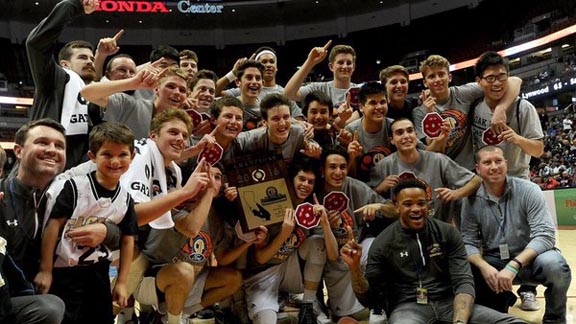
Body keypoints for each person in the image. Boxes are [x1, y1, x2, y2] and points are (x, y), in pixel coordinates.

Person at [340, 178, 525, 324]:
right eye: (408, 204)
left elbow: (463, 282)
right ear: (396, 207)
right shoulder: (382, 243)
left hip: (450, 303)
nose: (416, 209)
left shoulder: (448, 233)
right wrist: (354, 267)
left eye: (421, 203)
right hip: (408, 308)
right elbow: (370, 299)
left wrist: (460, 321)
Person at [0, 119, 120, 323]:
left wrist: (106, 231)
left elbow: (121, 231)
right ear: (18, 151)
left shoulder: (75, 193)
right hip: (13, 298)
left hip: (58, 290)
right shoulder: (3, 196)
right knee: (51, 307)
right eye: (42, 142)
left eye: (59, 146)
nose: (52, 150)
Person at [35, 122, 138, 324]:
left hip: (98, 272)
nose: (115, 161)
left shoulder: (126, 198)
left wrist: (122, 282)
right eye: (107, 154)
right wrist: (46, 270)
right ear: (92, 156)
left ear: (132, 156)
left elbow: (127, 240)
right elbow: (52, 227)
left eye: (123, 155)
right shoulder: (74, 187)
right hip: (63, 271)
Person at [461, 145, 571, 323]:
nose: (494, 166)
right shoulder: (471, 200)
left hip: (532, 258)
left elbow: (545, 234)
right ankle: (498, 314)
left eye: (498, 161)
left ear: (506, 163)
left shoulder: (528, 190)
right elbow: (468, 241)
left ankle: (554, 319)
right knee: (470, 269)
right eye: (487, 162)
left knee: (555, 265)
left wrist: (514, 265)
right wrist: (483, 266)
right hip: (495, 261)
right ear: (478, 168)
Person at [242, 158, 338, 324]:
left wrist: (325, 223)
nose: (306, 185)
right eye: (302, 179)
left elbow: (333, 255)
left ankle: (308, 304)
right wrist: (284, 233)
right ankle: (277, 301)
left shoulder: (310, 210)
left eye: (311, 182)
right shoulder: (273, 205)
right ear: (291, 179)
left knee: (317, 242)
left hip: (289, 269)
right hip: (261, 274)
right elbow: (261, 258)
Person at [316, 145, 395, 323]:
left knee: (376, 245)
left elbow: (395, 210)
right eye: (332, 167)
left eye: (343, 167)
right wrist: (327, 225)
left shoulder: (356, 187)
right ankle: (316, 308)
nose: (338, 172)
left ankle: (378, 304)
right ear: (322, 170)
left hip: (355, 247)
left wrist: (379, 206)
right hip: (328, 255)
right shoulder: (314, 192)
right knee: (343, 314)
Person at [26, 0, 104, 169]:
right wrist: (74, 6)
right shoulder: (55, 78)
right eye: (82, 58)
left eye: (91, 58)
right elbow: (36, 44)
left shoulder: (96, 96)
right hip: (42, 172)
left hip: (79, 178)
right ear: (64, 64)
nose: (90, 62)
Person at [412, 54, 522, 170]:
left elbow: (515, 81)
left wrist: (501, 109)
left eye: (441, 74)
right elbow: (432, 151)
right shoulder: (420, 112)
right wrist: (430, 115)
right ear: (425, 82)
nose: (438, 80)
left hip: (470, 170)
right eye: (432, 76)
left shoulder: (463, 93)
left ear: (449, 77)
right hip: (442, 172)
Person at [369, 118, 481, 224]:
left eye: (410, 131)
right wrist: (380, 188)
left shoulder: (438, 160)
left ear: (416, 135)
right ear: (392, 140)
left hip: (437, 227)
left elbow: (476, 180)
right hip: (401, 231)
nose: (406, 136)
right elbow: (367, 197)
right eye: (400, 133)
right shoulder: (383, 166)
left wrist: (456, 194)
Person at [471, 51, 544, 179]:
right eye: (490, 78)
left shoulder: (523, 107)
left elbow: (538, 150)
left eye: (502, 76)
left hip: (517, 180)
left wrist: (517, 138)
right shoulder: (474, 106)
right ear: (479, 81)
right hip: (485, 182)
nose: (497, 83)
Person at [81, 65, 189, 140]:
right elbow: (86, 93)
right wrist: (132, 83)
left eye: (182, 90)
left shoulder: (181, 127)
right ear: (156, 89)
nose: (177, 93)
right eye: (170, 86)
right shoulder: (130, 105)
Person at [284, 41, 360, 126]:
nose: (345, 66)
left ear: (353, 67)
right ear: (331, 66)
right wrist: (310, 62)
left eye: (349, 63)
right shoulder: (317, 88)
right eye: (340, 62)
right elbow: (288, 94)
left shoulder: (361, 92)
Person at [217, 47, 304, 120]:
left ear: (276, 67)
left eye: (271, 61)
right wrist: (233, 73)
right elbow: (214, 92)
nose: (268, 65)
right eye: (264, 62)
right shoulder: (244, 89)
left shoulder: (286, 93)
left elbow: (299, 121)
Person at [235, 93, 320, 163]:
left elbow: (317, 151)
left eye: (286, 117)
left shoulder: (300, 133)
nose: (282, 124)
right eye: (276, 119)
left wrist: (315, 154)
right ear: (265, 122)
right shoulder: (254, 140)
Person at [344, 82, 394, 182]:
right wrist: (351, 157)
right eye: (373, 103)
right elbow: (348, 176)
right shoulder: (350, 131)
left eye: (383, 102)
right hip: (362, 188)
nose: (379, 107)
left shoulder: (394, 127)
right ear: (361, 107)